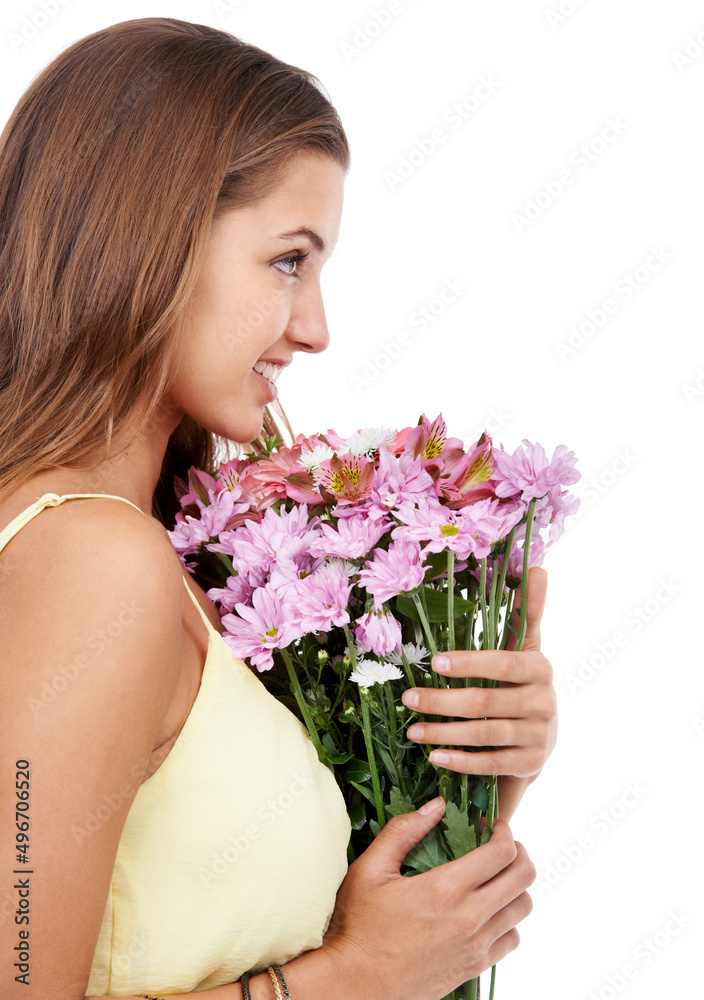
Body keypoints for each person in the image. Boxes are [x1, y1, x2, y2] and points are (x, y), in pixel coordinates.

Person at [0, 17, 556, 1000]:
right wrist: (345, 981)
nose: (314, 327)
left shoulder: (168, 556)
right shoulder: (95, 559)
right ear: (148, 239)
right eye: (287, 260)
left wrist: (468, 778)